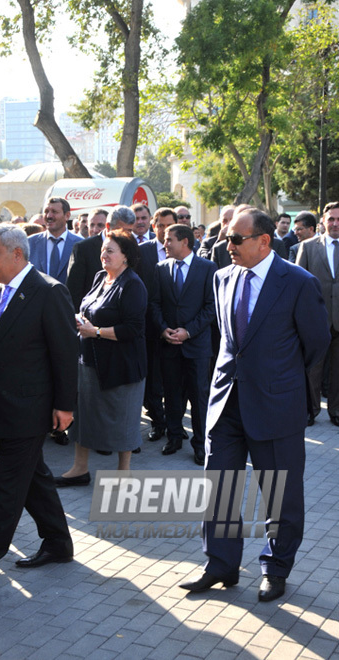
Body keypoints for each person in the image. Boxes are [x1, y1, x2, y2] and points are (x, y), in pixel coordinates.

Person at [180, 207, 330, 602]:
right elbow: (229, 341)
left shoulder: (298, 282)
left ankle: (276, 569)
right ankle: (221, 566)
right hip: (227, 402)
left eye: (235, 239)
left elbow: (317, 343)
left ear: (264, 241)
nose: (225, 245)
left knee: (281, 494)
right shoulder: (222, 277)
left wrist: (281, 379)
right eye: (225, 238)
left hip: (276, 404)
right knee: (221, 489)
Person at [0, 224, 78, 594]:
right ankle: (58, 542)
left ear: (17, 254)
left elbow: (65, 355)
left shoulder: (49, 292)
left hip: (29, 411)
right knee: (33, 479)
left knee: (6, 492)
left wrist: (65, 407)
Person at [56, 229, 147, 486]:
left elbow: (133, 329)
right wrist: (81, 321)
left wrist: (94, 331)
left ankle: (123, 474)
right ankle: (79, 469)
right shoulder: (100, 277)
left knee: (123, 419)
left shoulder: (132, 284)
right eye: (102, 249)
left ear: (126, 256)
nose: (103, 255)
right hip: (89, 361)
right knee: (82, 416)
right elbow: (89, 309)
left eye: (110, 251)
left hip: (121, 366)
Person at [151, 224, 216, 463]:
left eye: (169, 240)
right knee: (172, 394)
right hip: (168, 345)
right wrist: (162, 329)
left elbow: (211, 307)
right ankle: (174, 437)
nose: (164, 243)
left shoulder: (208, 268)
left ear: (185, 242)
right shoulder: (160, 268)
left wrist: (188, 332)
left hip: (196, 346)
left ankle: (200, 444)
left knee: (199, 397)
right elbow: (154, 303)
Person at [296, 201, 339, 427]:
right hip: (316, 320)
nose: (334, 223)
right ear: (323, 221)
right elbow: (298, 284)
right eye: (331, 219)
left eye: (338, 219)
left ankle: (336, 410)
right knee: (312, 369)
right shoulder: (309, 247)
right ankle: (309, 410)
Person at [137, 208, 177, 441]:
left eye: (168, 225)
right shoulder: (143, 252)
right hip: (150, 327)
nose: (163, 230)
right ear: (154, 227)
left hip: (178, 328)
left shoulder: (183, 251)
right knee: (152, 379)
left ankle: (174, 425)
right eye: (159, 225)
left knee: (175, 382)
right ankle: (158, 422)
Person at [66, 205, 136, 312]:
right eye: (120, 230)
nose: (125, 235)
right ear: (108, 227)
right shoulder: (83, 248)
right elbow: (74, 291)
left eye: (129, 231)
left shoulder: (134, 247)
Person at [28, 197, 83, 284]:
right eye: (46, 212)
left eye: (54, 212)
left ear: (67, 215)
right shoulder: (30, 243)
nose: (49, 216)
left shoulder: (80, 244)